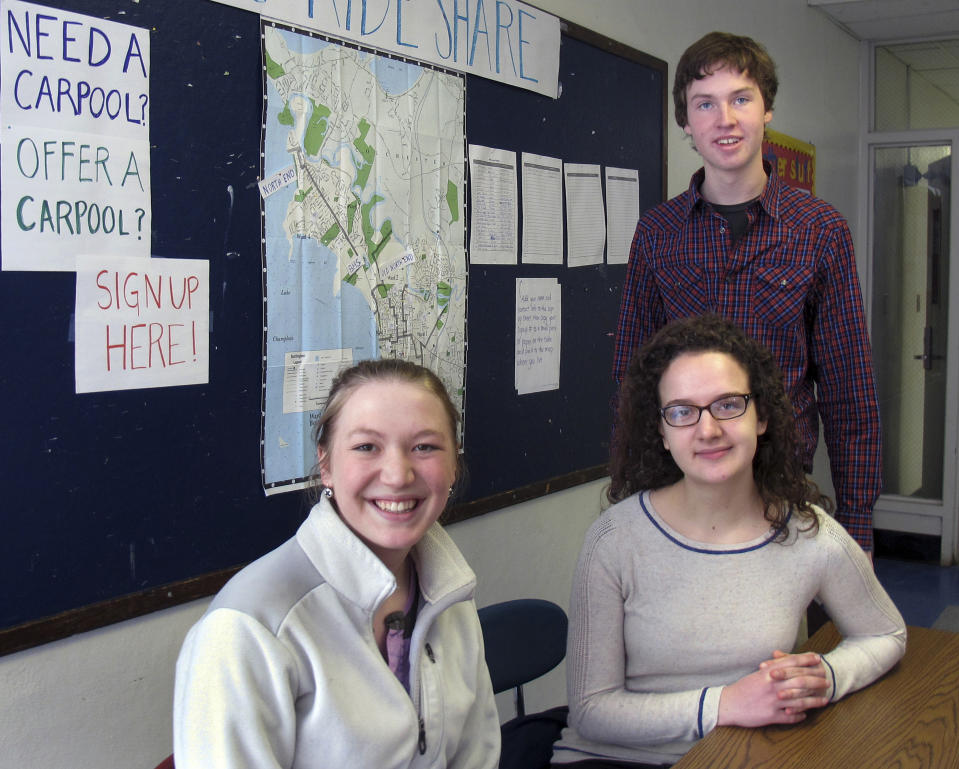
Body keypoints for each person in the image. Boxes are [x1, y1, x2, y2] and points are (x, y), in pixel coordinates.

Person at [552, 314, 905, 768]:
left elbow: (887, 632)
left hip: (741, 755)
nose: (708, 429)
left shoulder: (806, 532)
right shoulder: (614, 541)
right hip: (616, 760)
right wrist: (725, 704)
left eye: (728, 404)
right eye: (682, 411)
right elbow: (591, 709)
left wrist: (829, 676)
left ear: (761, 417)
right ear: (661, 431)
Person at [612, 31, 881, 552]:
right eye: (705, 104)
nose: (725, 119)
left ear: (766, 110)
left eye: (741, 98)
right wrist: (632, 501)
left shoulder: (820, 230)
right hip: (675, 499)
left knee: (784, 638)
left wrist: (858, 529)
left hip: (782, 502)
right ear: (686, 123)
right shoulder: (657, 233)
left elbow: (851, 397)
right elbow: (631, 382)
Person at [174, 359, 500, 769]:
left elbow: (477, 755)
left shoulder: (449, 594)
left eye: (425, 446)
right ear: (326, 464)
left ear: (454, 463)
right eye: (367, 447)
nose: (398, 475)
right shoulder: (247, 630)